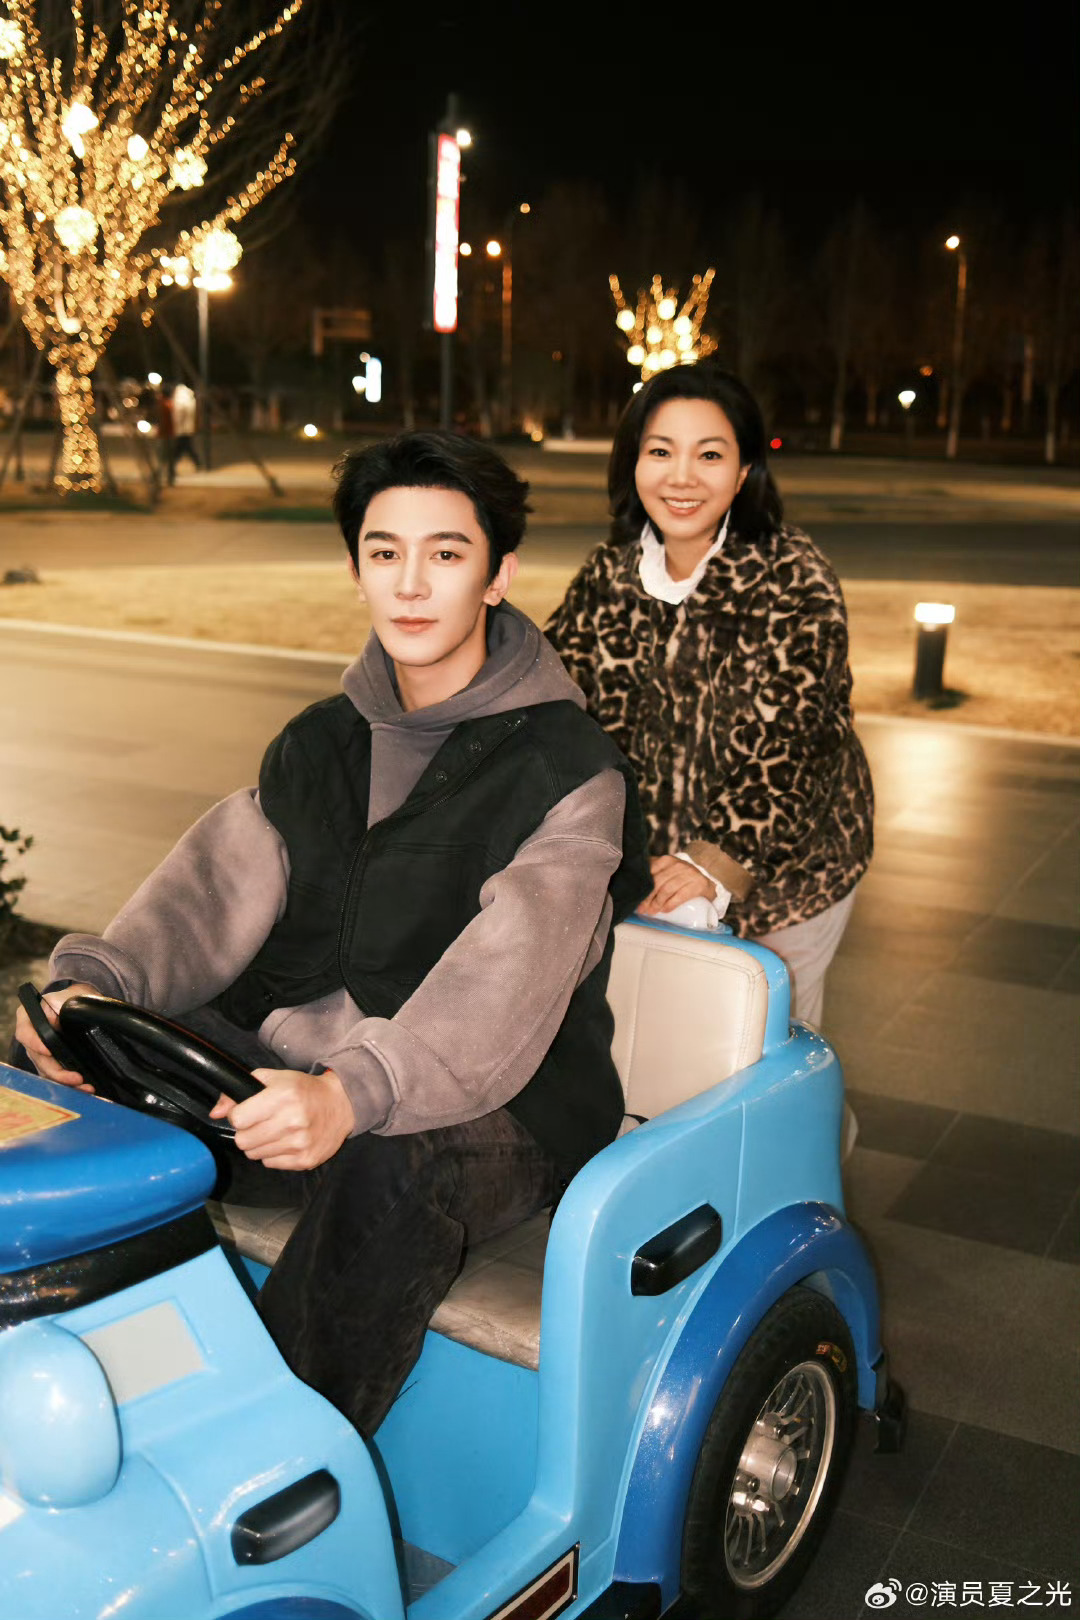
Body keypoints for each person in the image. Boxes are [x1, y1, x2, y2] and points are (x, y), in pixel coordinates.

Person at [15, 430, 651, 1436]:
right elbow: (210, 886)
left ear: (497, 575)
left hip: (501, 1107)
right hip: (293, 1084)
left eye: (446, 552)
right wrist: (97, 987)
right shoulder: (320, 740)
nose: (412, 583)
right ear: (356, 567)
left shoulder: (568, 769)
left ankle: (275, 1466)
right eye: (384, 551)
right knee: (47, 1060)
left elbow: (506, 979)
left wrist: (354, 1093)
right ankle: (58, 1394)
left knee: (390, 1162)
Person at [545, 362, 872, 1029]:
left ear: (745, 471)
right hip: (656, 869)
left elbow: (796, 743)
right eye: (661, 451)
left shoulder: (793, 578)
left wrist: (717, 862)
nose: (682, 477)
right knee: (663, 1046)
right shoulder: (609, 573)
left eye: (710, 455)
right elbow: (551, 701)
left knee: (769, 1047)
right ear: (633, 462)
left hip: (790, 876)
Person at [170, 381, 200, 471]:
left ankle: (171, 466)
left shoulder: (181, 401)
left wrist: (175, 426)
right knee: (185, 447)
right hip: (188, 428)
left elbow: (179, 416)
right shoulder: (190, 399)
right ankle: (197, 462)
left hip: (182, 429)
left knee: (181, 448)